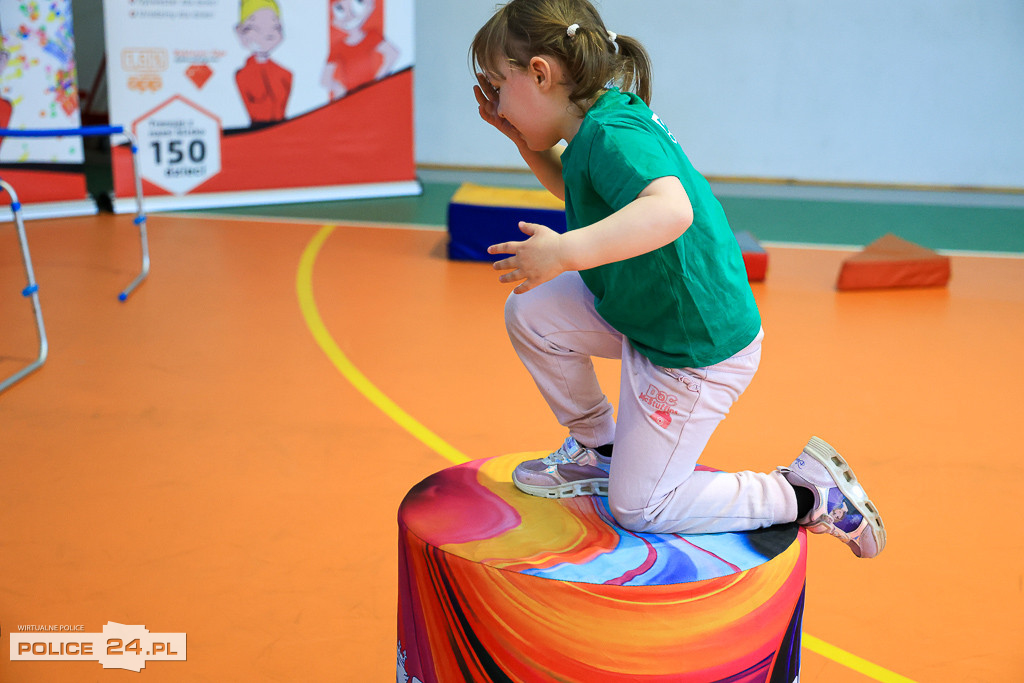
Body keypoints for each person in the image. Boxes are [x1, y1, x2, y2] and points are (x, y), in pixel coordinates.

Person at [470, 0, 885, 558]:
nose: (496, 103)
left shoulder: (614, 134)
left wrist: (564, 251)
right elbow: (584, 190)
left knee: (642, 508)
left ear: (540, 74)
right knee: (532, 311)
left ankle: (805, 494)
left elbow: (671, 210)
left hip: (692, 347)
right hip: (647, 313)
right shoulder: (596, 125)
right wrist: (523, 141)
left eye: (499, 86)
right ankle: (600, 450)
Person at [234, 0, 292, 124]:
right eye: (254, 28)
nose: (266, 35)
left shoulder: (285, 74)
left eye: (274, 27)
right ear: (240, 32)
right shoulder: (242, 75)